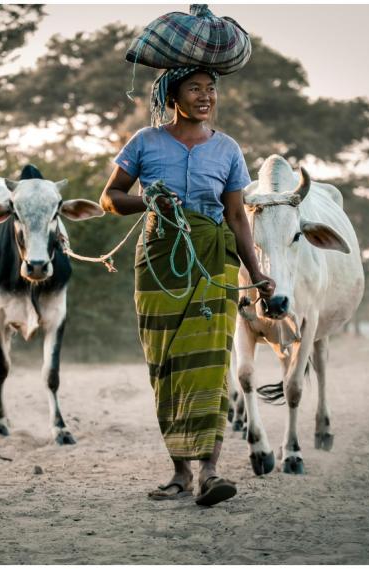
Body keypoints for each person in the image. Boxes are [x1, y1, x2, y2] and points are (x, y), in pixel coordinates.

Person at [100, 66, 276, 506]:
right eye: (194, 88)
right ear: (171, 95)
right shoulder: (144, 142)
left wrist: (256, 275)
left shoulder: (228, 149)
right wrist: (148, 199)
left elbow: (236, 217)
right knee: (167, 367)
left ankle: (210, 472)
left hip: (215, 263)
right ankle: (178, 472)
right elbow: (110, 198)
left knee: (211, 365)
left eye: (210, 89)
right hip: (160, 262)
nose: (205, 96)